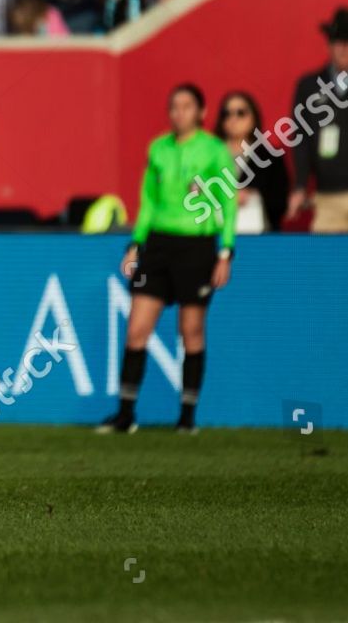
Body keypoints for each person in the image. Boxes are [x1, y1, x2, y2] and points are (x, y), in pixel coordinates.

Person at [101, 84, 235, 435]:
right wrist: (136, 244)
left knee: (190, 331)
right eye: (173, 106)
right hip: (159, 246)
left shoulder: (214, 150)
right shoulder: (158, 149)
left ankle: (187, 418)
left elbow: (228, 202)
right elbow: (147, 201)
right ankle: (125, 415)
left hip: (197, 246)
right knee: (136, 330)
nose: (179, 113)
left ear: (202, 112)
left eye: (187, 106)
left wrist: (226, 251)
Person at [287, 8, 348, 232]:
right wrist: (300, 185)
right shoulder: (309, 86)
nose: (344, 48)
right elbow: (300, 139)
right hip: (327, 198)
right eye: (338, 41)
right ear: (328, 44)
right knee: (327, 263)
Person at [215, 91, 290, 234]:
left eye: (241, 113)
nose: (233, 118)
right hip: (214, 237)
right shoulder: (209, 155)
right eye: (227, 113)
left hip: (259, 238)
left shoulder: (269, 157)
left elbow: (280, 202)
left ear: (253, 118)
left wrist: (253, 195)